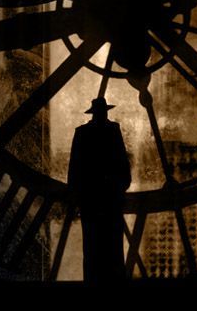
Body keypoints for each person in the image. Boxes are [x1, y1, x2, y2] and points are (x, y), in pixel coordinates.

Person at [67, 97, 131, 283]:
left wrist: (76, 193)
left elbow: (75, 165)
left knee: (92, 246)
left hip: (90, 198)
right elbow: (122, 160)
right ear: (105, 112)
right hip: (111, 197)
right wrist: (121, 185)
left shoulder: (82, 133)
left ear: (92, 113)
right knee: (113, 247)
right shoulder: (113, 130)